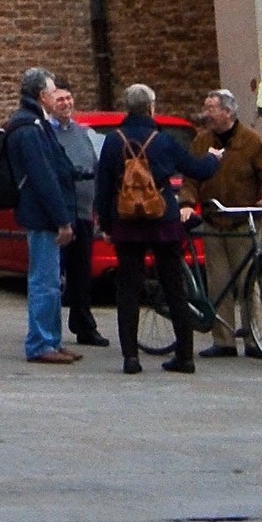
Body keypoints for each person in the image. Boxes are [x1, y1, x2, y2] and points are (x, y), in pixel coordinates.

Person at [94, 84, 217, 373]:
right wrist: (213, 157)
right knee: (174, 287)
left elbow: (103, 186)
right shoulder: (163, 141)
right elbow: (198, 169)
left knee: (128, 289)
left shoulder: (113, 141)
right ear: (151, 107)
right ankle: (185, 356)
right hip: (163, 220)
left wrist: (106, 223)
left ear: (127, 107)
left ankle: (130, 357)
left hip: (126, 221)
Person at [0, 64, 81, 362]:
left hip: (42, 214)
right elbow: (43, 176)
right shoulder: (29, 128)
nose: (57, 95)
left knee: (52, 281)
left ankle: (52, 341)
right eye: (54, 90)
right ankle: (41, 343)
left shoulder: (33, 123)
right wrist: (62, 220)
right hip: (42, 216)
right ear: (42, 95)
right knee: (44, 281)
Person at [193, 87, 262, 356]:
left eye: (211, 108)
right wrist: (186, 204)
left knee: (247, 283)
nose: (206, 114)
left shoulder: (251, 142)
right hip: (214, 220)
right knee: (219, 283)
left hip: (243, 220)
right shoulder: (201, 142)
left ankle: (253, 338)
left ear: (227, 112)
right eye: (206, 108)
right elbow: (190, 177)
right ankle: (224, 340)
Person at [43, 77, 107, 346]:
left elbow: (95, 167)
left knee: (81, 274)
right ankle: (49, 331)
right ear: (49, 104)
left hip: (82, 213)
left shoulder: (83, 134)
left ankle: (83, 324)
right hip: (58, 217)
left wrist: (97, 210)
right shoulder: (45, 134)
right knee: (52, 277)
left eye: (69, 99)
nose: (66, 103)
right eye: (60, 99)